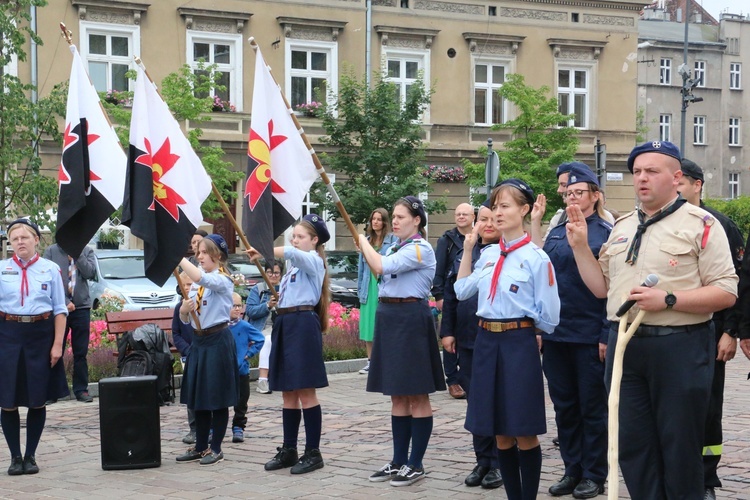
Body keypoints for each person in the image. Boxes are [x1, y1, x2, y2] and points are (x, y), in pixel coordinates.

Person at [566, 141, 738, 499]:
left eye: (652, 171)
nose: (641, 179)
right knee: (633, 444)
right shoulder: (623, 226)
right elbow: (602, 289)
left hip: (679, 346)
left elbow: (726, 292)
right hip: (625, 345)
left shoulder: (702, 224)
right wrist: (580, 246)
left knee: (679, 444)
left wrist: (669, 299)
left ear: (677, 178)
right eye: (637, 172)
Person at [455, 179, 560, 500]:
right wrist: (469, 251)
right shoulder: (487, 255)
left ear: (524, 209)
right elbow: (461, 291)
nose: (497, 213)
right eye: (495, 206)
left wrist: (522, 325)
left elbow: (551, 317)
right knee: (499, 431)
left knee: (523, 430)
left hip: (518, 344)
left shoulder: (536, 258)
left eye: (505, 206)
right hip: (486, 343)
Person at [361, 196, 445, 487]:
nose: (394, 221)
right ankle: (398, 460)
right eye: (393, 216)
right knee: (397, 394)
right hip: (390, 315)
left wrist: (362, 241)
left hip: (411, 317)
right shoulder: (396, 246)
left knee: (417, 393)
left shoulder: (420, 249)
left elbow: (382, 267)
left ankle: (416, 463)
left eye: (401, 217)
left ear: (417, 220)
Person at [538, 164, 611, 499]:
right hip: (557, 334)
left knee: (592, 408)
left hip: (588, 336)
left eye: (578, 192)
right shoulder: (557, 230)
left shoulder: (605, 232)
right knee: (564, 406)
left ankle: (595, 474)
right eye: (568, 193)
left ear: (595, 196)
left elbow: (611, 289)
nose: (572, 198)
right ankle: (572, 469)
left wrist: (604, 334)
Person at [678, 158, 744, 500]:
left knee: (707, 406)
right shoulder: (658, 223)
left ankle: (706, 478)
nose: (675, 188)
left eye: (681, 182)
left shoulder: (720, 225)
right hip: (672, 334)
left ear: (697, 185)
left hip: (711, 332)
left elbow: (738, 284)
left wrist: (731, 332)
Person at [247, 213, 330, 475]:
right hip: (286, 323)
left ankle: (313, 452)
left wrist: (263, 251)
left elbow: (294, 255)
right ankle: (290, 448)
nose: (295, 240)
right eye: (293, 236)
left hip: (303, 324)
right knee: (287, 392)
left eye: (301, 236)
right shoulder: (294, 268)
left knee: (305, 391)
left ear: (314, 240)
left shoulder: (314, 261)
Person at [441, 200, 503, 489]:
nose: (488, 225)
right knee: (474, 402)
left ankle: (500, 461)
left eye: (493, 219)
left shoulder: (507, 252)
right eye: (484, 220)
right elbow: (453, 294)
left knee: (496, 400)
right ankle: (483, 460)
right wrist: (448, 331)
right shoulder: (468, 252)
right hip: (466, 337)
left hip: (495, 337)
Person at [0, 218, 69, 475]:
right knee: (7, 400)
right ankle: (14, 457)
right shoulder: (1, 269)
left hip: (40, 335)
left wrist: (57, 345)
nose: (19, 242)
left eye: (24, 237)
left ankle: (30, 456)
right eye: (14, 238)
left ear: (36, 240)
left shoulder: (50, 269)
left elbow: (60, 310)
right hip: (7, 334)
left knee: (36, 399)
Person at [175, 234, 239, 467]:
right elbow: (185, 320)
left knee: (217, 397)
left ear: (217, 255)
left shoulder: (223, 280)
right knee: (199, 398)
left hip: (217, 341)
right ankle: (200, 446)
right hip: (199, 342)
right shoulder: (196, 284)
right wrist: (184, 310)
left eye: (203, 253)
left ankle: (217, 448)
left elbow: (202, 278)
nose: (199, 256)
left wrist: (178, 258)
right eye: (198, 252)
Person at [42, 243, 97, 403]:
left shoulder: (86, 250)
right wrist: (64, 301)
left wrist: (77, 254)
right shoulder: (51, 251)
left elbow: (90, 273)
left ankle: (81, 389)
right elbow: (47, 279)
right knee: (55, 349)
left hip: (82, 308)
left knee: (81, 352)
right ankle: (53, 391)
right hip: (60, 308)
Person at [432, 202, 475, 399]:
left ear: (472, 216)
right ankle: (453, 380)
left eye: (465, 214)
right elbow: (439, 270)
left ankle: (467, 375)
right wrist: (439, 295)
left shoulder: (478, 238)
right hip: (451, 295)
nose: (460, 217)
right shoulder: (446, 240)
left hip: (471, 295)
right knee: (449, 336)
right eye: (458, 214)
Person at [357, 208, 397, 374]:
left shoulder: (392, 240)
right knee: (368, 325)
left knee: (383, 324)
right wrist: (360, 290)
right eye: (373, 219)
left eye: (379, 219)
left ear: (385, 222)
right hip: (369, 285)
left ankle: (385, 360)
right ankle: (370, 361)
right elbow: (361, 269)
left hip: (383, 284)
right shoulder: (366, 241)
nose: (375, 222)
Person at [228, 292, 265, 444]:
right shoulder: (220, 326)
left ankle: (238, 427)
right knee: (219, 400)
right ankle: (213, 428)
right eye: (233, 306)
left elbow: (260, 339)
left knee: (242, 400)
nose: (237, 309)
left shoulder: (244, 326)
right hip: (223, 371)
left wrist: (248, 355)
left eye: (239, 306)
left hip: (241, 370)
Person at [245, 260, 283, 394]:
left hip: (281, 327)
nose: (273, 275)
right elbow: (250, 311)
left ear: (281, 274)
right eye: (270, 272)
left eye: (276, 273)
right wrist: (267, 305)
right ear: (265, 273)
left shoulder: (286, 288)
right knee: (267, 340)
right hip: (261, 328)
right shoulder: (259, 289)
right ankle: (262, 380)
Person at [172, 271, 196, 444]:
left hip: (204, 352)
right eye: (184, 285)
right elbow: (176, 333)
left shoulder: (201, 305)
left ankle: (209, 427)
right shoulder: (178, 308)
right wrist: (187, 350)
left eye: (190, 284)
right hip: (189, 355)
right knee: (191, 391)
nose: (186, 288)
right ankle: (194, 428)